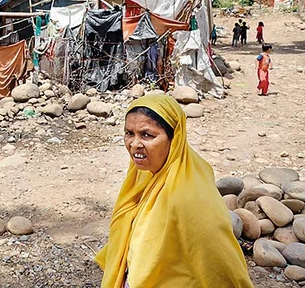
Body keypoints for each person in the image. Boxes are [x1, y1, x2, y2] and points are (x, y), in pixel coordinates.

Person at [96, 95, 252, 288]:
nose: (134, 144)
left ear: (174, 138)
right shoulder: (145, 172)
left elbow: (222, 265)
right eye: (129, 133)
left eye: (147, 135)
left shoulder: (190, 198)